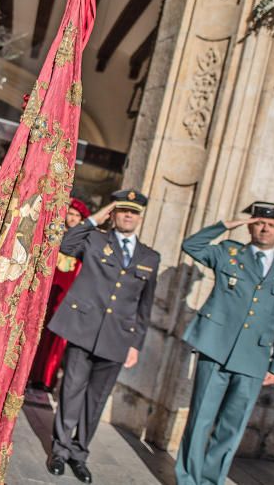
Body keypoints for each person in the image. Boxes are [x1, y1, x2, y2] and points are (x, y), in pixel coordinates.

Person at [174, 202, 274, 485]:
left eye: (271, 225)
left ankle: (210, 480)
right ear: (250, 226)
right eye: (259, 222)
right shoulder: (227, 253)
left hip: (253, 359)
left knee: (232, 428)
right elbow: (191, 245)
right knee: (201, 421)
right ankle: (188, 480)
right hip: (215, 348)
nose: (264, 228)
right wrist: (225, 226)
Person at [46, 190, 161, 484]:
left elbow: (144, 306)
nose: (127, 216)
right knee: (70, 391)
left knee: (95, 402)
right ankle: (59, 450)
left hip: (117, 339)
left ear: (140, 217)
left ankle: (79, 454)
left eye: (133, 212)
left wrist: (136, 344)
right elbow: (65, 244)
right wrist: (96, 216)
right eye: (122, 210)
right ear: (114, 212)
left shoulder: (150, 257)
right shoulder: (96, 239)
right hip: (83, 330)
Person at [30, 197, 90, 391]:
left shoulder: (84, 242)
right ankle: (30, 374)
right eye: (70, 214)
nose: (72, 218)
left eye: (76, 215)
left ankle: (47, 379)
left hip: (67, 297)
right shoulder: (55, 234)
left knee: (56, 341)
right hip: (48, 292)